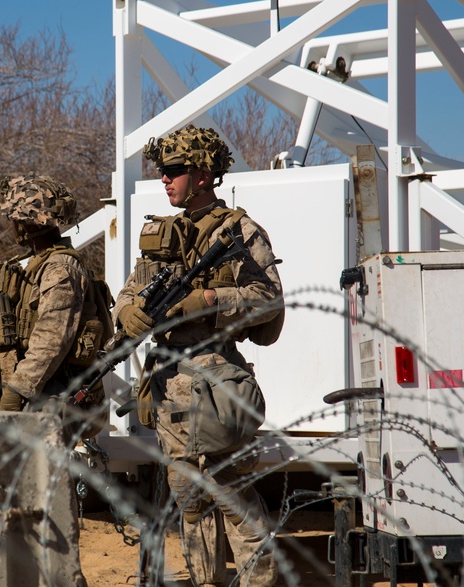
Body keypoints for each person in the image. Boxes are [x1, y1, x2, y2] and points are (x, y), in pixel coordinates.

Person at [112, 125, 284, 587]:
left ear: (204, 175)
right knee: (189, 502)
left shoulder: (239, 230)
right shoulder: (160, 236)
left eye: (173, 171)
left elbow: (268, 301)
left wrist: (208, 300)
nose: (164, 180)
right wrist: (127, 313)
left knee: (233, 498)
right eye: (162, 173)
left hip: (216, 385)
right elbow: (131, 292)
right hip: (171, 390)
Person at [0, 174, 108, 442]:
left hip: (59, 393)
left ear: (27, 223)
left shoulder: (59, 269)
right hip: (43, 388)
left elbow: (51, 338)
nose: (12, 224)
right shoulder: (37, 264)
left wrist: (17, 391)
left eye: (15, 217)